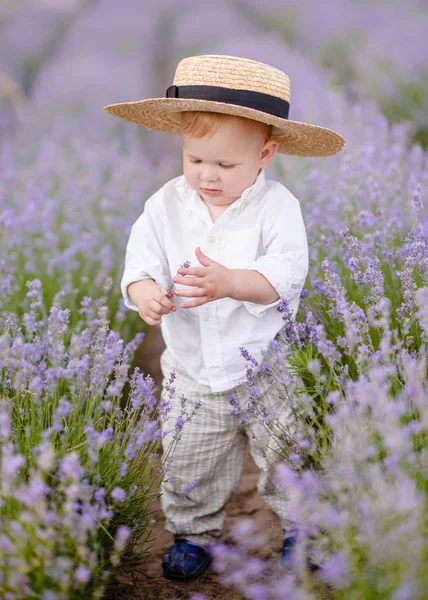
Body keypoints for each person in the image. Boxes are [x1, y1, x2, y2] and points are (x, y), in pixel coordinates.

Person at [104, 54, 345, 581]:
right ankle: (194, 533)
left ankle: (302, 531)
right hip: (191, 366)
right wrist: (145, 293)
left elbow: (286, 274)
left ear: (266, 154)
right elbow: (139, 263)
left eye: (225, 165)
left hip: (267, 364)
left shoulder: (278, 208)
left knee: (286, 454)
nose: (207, 176)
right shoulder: (164, 205)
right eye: (195, 160)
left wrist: (231, 282)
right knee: (190, 458)